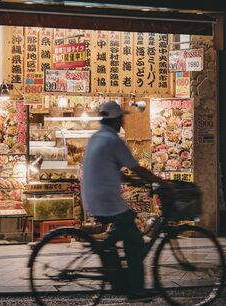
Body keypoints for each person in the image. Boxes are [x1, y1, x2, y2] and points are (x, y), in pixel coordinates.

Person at [81, 101, 171, 302]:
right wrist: (160, 182)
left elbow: (111, 169)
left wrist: (130, 180)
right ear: (115, 120)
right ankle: (136, 290)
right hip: (106, 200)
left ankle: (116, 273)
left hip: (93, 197)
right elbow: (137, 167)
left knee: (119, 232)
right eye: (120, 118)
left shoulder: (96, 137)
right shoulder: (113, 140)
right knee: (135, 241)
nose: (122, 122)